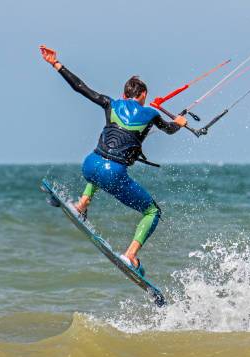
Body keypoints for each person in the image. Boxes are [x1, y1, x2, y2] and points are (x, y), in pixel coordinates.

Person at [39, 45, 187, 270]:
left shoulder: (110, 103)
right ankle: (130, 255)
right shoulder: (151, 113)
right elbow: (169, 129)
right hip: (113, 173)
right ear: (143, 96)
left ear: (124, 94)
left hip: (89, 164)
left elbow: (80, 87)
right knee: (152, 211)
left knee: (102, 162)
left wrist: (55, 63)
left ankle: (81, 204)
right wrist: (180, 122)